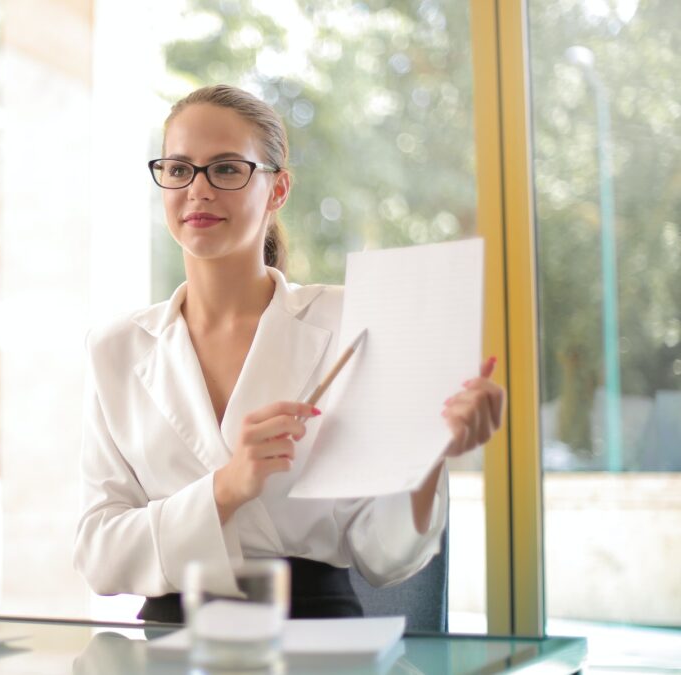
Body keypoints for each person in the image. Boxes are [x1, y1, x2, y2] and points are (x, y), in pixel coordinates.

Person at [72, 84, 504, 623]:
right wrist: (227, 489)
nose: (197, 190)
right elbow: (99, 553)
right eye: (179, 169)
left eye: (227, 169)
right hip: (168, 641)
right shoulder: (116, 348)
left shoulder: (354, 326)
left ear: (277, 190)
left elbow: (385, 556)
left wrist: (431, 450)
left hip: (315, 630)